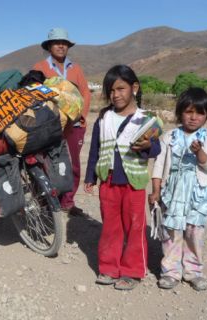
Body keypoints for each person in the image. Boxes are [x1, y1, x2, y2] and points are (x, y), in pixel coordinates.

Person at [84, 65, 161, 290]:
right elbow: (94, 150)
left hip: (133, 183)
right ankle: (108, 267)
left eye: (121, 88)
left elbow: (155, 149)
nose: (116, 94)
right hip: (108, 182)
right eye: (111, 90)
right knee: (110, 226)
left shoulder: (146, 119)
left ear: (134, 88)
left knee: (135, 227)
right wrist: (90, 176)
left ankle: (132, 271)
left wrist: (148, 146)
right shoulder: (104, 118)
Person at [148, 87, 207, 291]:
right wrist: (155, 190)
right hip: (173, 193)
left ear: (206, 115)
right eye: (189, 111)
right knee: (171, 233)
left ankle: (193, 271)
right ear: (180, 113)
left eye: (200, 113)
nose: (194, 117)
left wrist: (199, 153)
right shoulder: (169, 137)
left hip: (197, 194)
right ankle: (170, 272)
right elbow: (159, 166)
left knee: (194, 233)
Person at [33, 28, 92, 217]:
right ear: (49, 46)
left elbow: (85, 93)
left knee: (73, 164)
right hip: (50, 126)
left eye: (64, 43)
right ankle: (48, 201)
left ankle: (68, 201)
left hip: (74, 126)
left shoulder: (75, 68)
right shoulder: (40, 67)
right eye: (57, 42)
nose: (61, 46)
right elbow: (32, 92)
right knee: (49, 163)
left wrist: (81, 114)